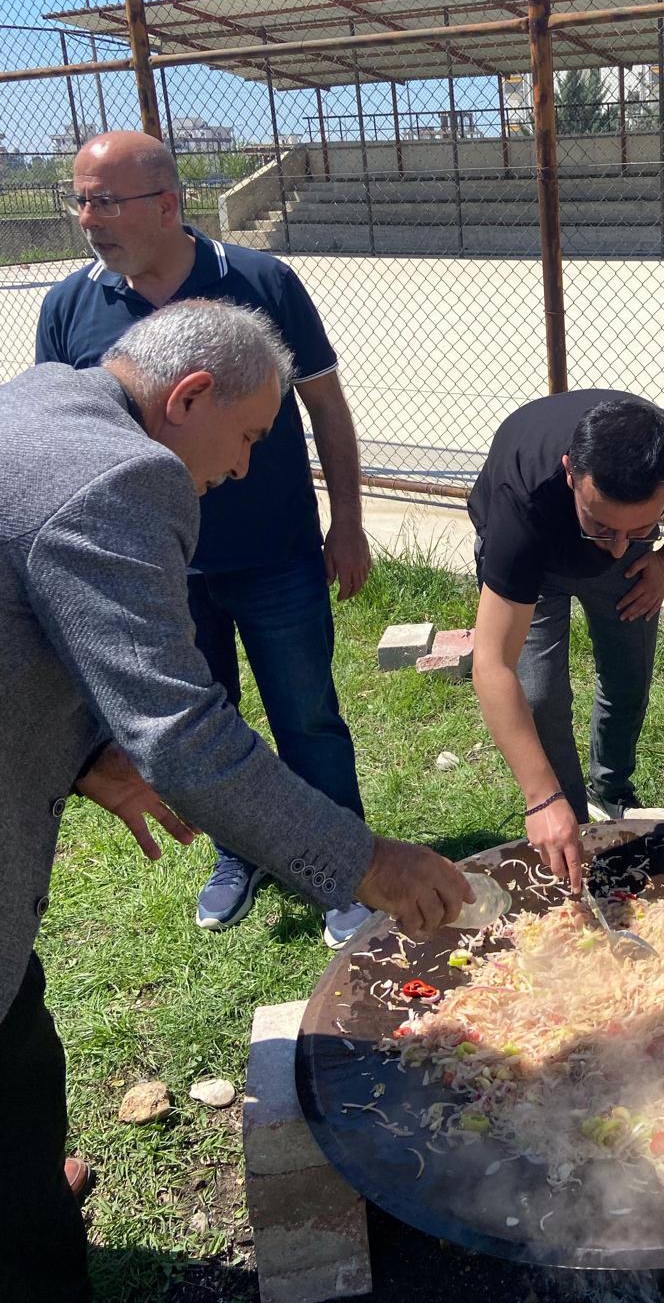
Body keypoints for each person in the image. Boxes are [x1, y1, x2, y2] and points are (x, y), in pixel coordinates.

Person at [0, 299, 470, 1303]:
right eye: (253, 435)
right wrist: (367, 862)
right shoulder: (129, 474)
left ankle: (27, 1192)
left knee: (17, 1042)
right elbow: (186, 736)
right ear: (191, 396)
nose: (247, 466)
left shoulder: (43, 397)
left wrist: (85, 752)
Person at [36, 131, 374, 947]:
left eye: (105, 200)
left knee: (308, 716)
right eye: (79, 199)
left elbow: (325, 408)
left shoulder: (260, 282)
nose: (88, 218)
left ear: (167, 203)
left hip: (275, 553)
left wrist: (349, 523)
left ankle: (347, 870)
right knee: (203, 719)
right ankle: (239, 855)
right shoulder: (69, 306)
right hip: (157, 569)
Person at [469, 392, 664, 889]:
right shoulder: (520, 502)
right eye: (601, 524)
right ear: (571, 473)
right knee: (539, 694)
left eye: (640, 525)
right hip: (537, 561)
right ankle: (568, 827)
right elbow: (491, 664)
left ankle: (611, 790)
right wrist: (541, 799)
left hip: (634, 570)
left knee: (628, 677)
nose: (615, 548)